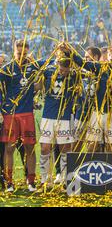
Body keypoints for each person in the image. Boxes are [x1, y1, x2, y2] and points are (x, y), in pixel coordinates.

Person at [0, 40, 50, 192]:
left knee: (30, 148)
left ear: (28, 52)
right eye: (18, 53)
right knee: (9, 148)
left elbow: (52, 62)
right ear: (13, 52)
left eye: (24, 53)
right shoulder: (7, 69)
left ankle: (31, 181)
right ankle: (9, 182)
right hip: (11, 114)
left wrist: (40, 84)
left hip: (27, 114)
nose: (21, 56)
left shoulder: (33, 66)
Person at [37, 58, 79, 187]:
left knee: (65, 148)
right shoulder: (48, 71)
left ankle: (66, 178)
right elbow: (38, 83)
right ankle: (45, 180)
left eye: (65, 71)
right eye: (60, 70)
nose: (62, 73)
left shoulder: (75, 75)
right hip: (48, 115)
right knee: (45, 147)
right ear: (57, 65)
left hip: (65, 117)